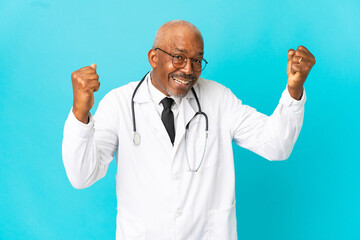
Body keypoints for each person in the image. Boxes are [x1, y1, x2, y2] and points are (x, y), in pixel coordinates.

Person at [62, 20, 315, 240]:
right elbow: (82, 176)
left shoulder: (218, 99)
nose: (188, 69)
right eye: (179, 57)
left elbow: (276, 146)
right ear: (153, 57)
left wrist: (293, 91)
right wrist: (80, 113)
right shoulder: (119, 103)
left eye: (196, 60)